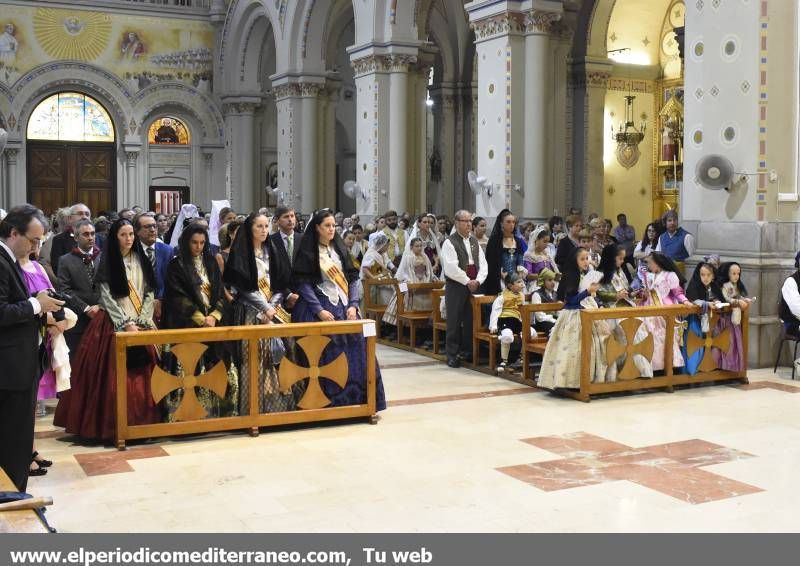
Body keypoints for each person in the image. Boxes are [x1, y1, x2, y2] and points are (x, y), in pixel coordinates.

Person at [56, 219, 161, 442]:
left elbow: (150, 291)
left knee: (144, 375)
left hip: (141, 323)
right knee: (110, 377)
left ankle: (143, 425)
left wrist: (143, 319)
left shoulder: (143, 258)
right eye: (123, 235)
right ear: (115, 237)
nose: (129, 239)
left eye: (131, 234)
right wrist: (125, 324)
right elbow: (106, 296)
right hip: (113, 324)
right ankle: (111, 426)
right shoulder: (107, 259)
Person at [291, 209, 387, 410]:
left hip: (345, 306)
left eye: (333, 225)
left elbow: (351, 278)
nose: (331, 229)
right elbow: (304, 284)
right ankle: (328, 405)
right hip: (318, 306)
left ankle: (360, 402)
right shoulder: (308, 251)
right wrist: (319, 311)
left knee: (358, 350)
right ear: (317, 228)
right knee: (326, 352)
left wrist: (353, 304)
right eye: (327, 226)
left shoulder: (340, 249)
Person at [0, 205, 64, 491]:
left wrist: (38, 301)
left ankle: (15, 494)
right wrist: (37, 304)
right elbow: (2, 311)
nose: (37, 247)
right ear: (14, 233)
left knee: (18, 438)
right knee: (13, 440)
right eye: (34, 240)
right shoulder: (1, 260)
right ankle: (13, 498)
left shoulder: (9, 258)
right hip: (9, 368)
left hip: (18, 363)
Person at [162, 225, 237, 418]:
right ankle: (188, 415)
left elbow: (220, 292)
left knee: (219, 366)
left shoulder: (211, 262)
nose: (198, 247)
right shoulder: (176, 265)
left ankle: (219, 413)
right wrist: (200, 318)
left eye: (202, 243)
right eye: (194, 242)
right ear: (186, 242)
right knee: (190, 370)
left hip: (214, 324)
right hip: (187, 325)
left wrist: (214, 316)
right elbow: (177, 297)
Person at [223, 213, 295, 414]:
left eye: (266, 226)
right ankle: (252, 409)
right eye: (259, 227)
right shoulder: (241, 254)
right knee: (253, 360)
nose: (264, 230)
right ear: (250, 229)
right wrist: (265, 308)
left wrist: (271, 307)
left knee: (278, 358)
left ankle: (278, 410)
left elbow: (281, 284)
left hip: (273, 311)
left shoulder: (272, 250)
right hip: (249, 313)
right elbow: (243, 288)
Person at [537, 247, 602, 390]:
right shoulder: (571, 275)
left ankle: (587, 379)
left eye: (587, 258)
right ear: (575, 260)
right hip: (574, 315)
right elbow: (571, 301)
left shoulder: (584, 275)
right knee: (572, 349)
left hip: (587, 311)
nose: (586, 262)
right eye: (582, 259)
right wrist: (587, 292)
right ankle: (569, 381)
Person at [441, 209, 487, 368]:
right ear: (457, 223)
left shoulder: (474, 241)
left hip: (474, 284)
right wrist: (468, 281)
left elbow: (483, 264)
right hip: (456, 285)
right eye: (465, 221)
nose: (469, 224)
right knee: (454, 320)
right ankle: (452, 354)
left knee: (471, 320)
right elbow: (451, 268)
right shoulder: (450, 242)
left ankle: (468, 352)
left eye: (470, 221)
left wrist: (478, 280)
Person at [56, 219, 102, 361]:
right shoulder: (65, 260)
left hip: (102, 316)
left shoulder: (104, 257)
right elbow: (65, 290)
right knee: (78, 361)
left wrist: (101, 306)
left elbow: (110, 287)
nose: (90, 237)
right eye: (86, 234)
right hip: (79, 320)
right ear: (76, 237)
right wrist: (86, 308)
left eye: (93, 234)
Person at [640, 252, 692, 372]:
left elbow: (677, 292)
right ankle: (651, 366)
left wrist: (685, 301)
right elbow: (645, 294)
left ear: (657, 263)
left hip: (664, 310)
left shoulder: (670, 275)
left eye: (650, 262)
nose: (648, 265)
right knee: (650, 337)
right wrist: (644, 293)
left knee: (664, 338)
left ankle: (666, 366)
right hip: (649, 308)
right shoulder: (648, 276)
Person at [383, 237, 435, 331]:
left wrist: (431, 278)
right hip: (407, 281)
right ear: (411, 247)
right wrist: (410, 282)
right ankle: (404, 325)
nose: (419, 248)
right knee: (405, 293)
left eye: (420, 246)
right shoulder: (408, 257)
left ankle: (423, 327)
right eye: (417, 246)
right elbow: (404, 273)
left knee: (428, 292)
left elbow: (429, 271)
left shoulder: (425, 257)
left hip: (422, 281)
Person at [683, 261, 724, 375]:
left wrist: (716, 301)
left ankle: (704, 369)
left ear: (713, 276)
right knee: (694, 343)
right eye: (702, 275)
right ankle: (691, 370)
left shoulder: (714, 286)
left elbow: (719, 297)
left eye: (708, 275)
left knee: (708, 344)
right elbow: (693, 299)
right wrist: (707, 303)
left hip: (710, 321)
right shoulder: (694, 285)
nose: (705, 278)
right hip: (695, 320)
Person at [134, 213, 173, 321]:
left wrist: (159, 299)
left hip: (164, 305)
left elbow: (170, 279)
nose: (152, 230)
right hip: (138, 305)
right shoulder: (132, 251)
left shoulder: (167, 250)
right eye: (147, 227)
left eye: (154, 226)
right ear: (137, 231)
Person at [715, 262, 751, 372]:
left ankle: (734, 366)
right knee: (728, 343)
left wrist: (744, 299)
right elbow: (727, 298)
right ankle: (725, 365)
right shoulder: (726, 286)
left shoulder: (736, 286)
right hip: (726, 319)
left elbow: (738, 295)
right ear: (728, 274)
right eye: (733, 273)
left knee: (735, 343)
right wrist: (738, 301)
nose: (736, 276)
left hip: (735, 319)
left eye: (738, 274)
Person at [489, 272, 527, 374]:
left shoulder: (521, 296)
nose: (522, 284)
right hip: (505, 319)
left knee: (528, 333)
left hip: (517, 320)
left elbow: (523, 310)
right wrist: (493, 325)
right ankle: (503, 360)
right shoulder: (502, 296)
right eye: (518, 282)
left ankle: (522, 358)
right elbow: (496, 310)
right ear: (510, 285)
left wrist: (525, 322)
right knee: (507, 335)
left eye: (522, 281)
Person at [482, 209, 526, 296]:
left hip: (516, 279)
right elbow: (492, 263)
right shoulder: (494, 241)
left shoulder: (518, 241)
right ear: (501, 223)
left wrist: (518, 278)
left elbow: (520, 262)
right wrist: (506, 279)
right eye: (508, 222)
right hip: (499, 280)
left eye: (513, 222)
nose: (512, 225)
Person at [43, 203, 91, 279]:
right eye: (80, 214)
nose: (84, 217)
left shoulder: (99, 238)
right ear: (70, 218)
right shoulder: (60, 239)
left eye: (87, 214)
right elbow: (57, 268)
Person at [523, 225, 558, 292]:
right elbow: (528, 275)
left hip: (549, 282)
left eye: (548, 242)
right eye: (544, 241)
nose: (547, 244)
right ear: (536, 240)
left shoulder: (547, 255)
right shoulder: (529, 255)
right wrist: (543, 276)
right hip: (536, 283)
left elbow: (554, 270)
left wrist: (555, 275)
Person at [406, 213, 442, 278]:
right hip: (418, 267)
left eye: (428, 222)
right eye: (425, 222)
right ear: (419, 224)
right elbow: (412, 254)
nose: (427, 224)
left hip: (432, 266)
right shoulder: (415, 236)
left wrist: (436, 264)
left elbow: (434, 253)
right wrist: (429, 268)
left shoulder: (431, 236)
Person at [530, 268, 559, 336]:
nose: (553, 282)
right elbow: (539, 317)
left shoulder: (556, 294)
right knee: (554, 328)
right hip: (543, 323)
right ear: (543, 281)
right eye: (549, 280)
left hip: (555, 321)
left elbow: (559, 311)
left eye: (553, 279)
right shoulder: (536, 294)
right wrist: (553, 319)